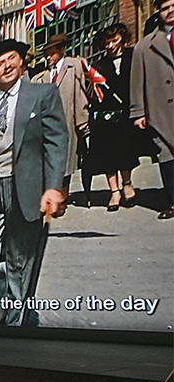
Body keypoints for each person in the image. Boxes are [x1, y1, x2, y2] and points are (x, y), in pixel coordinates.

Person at [0, 39, 69, 326]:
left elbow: (57, 141)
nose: (7, 66)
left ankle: (14, 321)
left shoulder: (43, 94)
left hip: (26, 187)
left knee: (18, 255)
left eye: (11, 59)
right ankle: (9, 299)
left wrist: (53, 185)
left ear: (22, 62)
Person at [87, 23, 142, 211]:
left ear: (122, 39)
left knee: (125, 149)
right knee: (108, 152)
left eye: (114, 41)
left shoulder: (132, 57)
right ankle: (114, 191)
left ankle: (127, 184)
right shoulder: (99, 65)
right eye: (107, 42)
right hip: (107, 115)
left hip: (128, 110)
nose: (111, 45)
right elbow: (94, 92)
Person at [131, 0, 174, 220]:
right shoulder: (144, 46)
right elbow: (136, 83)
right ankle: (172, 200)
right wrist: (138, 112)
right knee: (166, 155)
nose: (171, 11)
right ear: (158, 13)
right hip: (160, 111)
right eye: (165, 8)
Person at [33, 34, 90, 197]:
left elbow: (79, 94)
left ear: (62, 50)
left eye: (52, 53)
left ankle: (63, 194)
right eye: (46, 54)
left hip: (68, 120)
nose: (48, 58)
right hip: (48, 124)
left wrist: (82, 118)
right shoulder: (42, 75)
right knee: (50, 158)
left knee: (67, 159)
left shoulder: (73, 67)